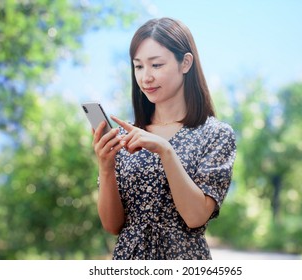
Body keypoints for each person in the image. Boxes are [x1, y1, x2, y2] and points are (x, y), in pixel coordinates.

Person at [92, 17, 236, 260]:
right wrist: (106, 167)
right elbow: (112, 225)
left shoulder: (216, 134)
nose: (145, 77)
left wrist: (166, 152)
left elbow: (195, 217)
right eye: (138, 66)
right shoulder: (127, 136)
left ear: (185, 63)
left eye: (156, 65)